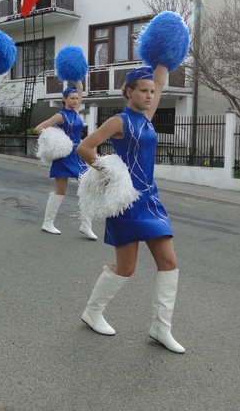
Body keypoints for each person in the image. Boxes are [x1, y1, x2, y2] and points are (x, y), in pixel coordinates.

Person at [76, 65, 185, 354]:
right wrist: (110, 174)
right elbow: (84, 148)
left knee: (169, 261)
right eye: (144, 91)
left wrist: (164, 58)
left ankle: (161, 328)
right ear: (129, 92)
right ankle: (92, 312)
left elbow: (160, 79)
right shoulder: (119, 121)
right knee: (126, 267)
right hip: (124, 201)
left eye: (152, 92)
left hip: (150, 199)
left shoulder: (147, 118)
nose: (150, 96)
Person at [34, 81, 97, 239]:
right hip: (64, 155)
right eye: (72, 98)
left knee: (88, 187)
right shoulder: (60, 115)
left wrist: (77, 77)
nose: (75, 100)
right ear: (64, 99)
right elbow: (39, 128)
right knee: (60, 190)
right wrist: (56, 140)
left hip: (78, 155)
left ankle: (86, 225)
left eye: (76, 98)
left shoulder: (76, 111)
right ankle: (48, 223)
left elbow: (80, 88)